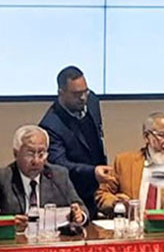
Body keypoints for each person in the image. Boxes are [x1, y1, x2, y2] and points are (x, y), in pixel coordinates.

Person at [0, 125, 87, 231]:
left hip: (49, 241)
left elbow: (80, 208)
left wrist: (79, 216)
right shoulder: (2, 178)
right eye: (30, 154)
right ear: (16, 154)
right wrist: (8, 223)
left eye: (41, 154)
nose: (36, 161)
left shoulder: (58, 176)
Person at [96, 112, 164, 216]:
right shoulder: (124, 162)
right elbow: (102, 195)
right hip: (134, 225)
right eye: (163, 135)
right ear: (146, 137)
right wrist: (116, 202)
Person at [39, 66, 113, 218]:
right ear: (61, 93)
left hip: (98, 187)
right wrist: (92, 172)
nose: (83, 98)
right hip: (73, 193)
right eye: (76, 94)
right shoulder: (51, 125)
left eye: (85, 91)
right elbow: (60, 164)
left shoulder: (92, 101)